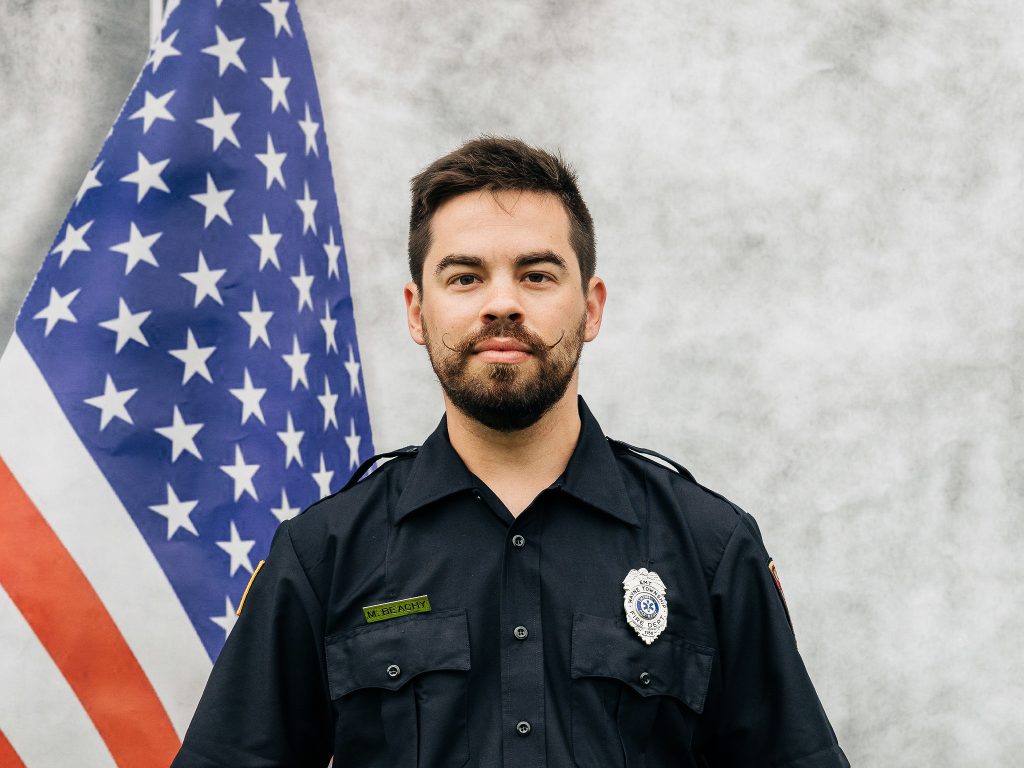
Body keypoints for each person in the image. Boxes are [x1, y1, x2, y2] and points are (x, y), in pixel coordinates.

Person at [171, 136, 850, 768]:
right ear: (416, 311)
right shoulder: (323, 556)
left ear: (591, 306)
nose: (502, 303)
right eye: (465, 278)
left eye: (536, 275)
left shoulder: (709, 550)